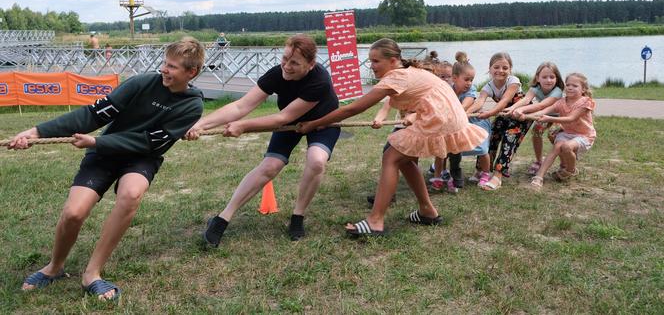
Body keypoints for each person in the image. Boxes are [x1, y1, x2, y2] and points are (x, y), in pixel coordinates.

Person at [8, 37, 205, 301]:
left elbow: (149, 142)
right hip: (104, 152)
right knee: (74, 213)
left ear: (191, 72)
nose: (163, 70)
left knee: (131, 194)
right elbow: (94, 114)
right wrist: (36, 132)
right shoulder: (140, 83)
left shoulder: (192, 105)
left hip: (141, 156)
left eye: (172, 67)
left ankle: (92, 273)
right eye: (164, 63)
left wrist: (97, 141)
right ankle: (54, 267)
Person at [297, 38, 487, 236]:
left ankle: (375, 221)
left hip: (441, 117)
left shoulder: (397, 76)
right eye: (370, 61)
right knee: (402, 159)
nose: (372, 66)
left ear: (394, 59)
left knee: (391, 157)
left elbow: (354, 108)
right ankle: (427, 211)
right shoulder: (406, 72)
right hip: (445, 115)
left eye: (376, 61)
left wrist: (314, 123)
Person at [186, 34, 339, 245]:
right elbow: (241, 106)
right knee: (270, 166)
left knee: (316, 160)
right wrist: (200, 125)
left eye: (295, 62)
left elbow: (282, 117)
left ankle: (298, 216)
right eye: (285, 58)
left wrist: (243, 125)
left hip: (323, 123)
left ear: (311, 64)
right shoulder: (276, 74)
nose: (287, 66)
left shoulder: (319, 81)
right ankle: (222, 218)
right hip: (289, 126)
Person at [466, 52, 527, 191]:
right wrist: (466, 113)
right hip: (503, 114)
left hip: (519, 115)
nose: (500, 71)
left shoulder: (513, 81)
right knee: (490, 137)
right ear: (490, 68)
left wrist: (489, 113)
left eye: (505, 68)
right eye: (496, 67)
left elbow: (505, 100)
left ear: (510, 70)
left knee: (509, 139)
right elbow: (479, 101)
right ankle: (482, 170)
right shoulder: (488, 86)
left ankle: (498, 175)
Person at [432, 52, 493, 190]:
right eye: (466, 79)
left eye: (472, 79)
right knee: (444, 149)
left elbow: (464, 105)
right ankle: (440, 174)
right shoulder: (448, 90)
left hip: (475, 123)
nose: (469, 83)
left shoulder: (471, 90)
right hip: (454, 124)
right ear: (454, 78)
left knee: (483, 149)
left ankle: (485, 174)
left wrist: (453, 113)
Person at [530, 73, 596, 190]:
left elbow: (571, 118)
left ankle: (571, 170)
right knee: (557, 147)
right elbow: (545, 110)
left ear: (583, 89)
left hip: (584, 136)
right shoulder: (561, 102)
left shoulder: (585, 102)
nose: (570, 87)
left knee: (566, 147)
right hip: (567, 133)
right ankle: (539, 177)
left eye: (574, 86)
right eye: (568, 85)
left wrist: (549, 118)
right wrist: (525, 115)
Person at [503, 62, 564, 175]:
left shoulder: (557, 91)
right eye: (544, 77)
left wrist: (522, 110)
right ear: (538, 78)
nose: (548, 80)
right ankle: (539, 160)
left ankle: (564, 163)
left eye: (552, 77)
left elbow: (542, 105)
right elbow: (526, 100)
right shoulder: (535, 88)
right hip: (543, 116)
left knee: (554, 135)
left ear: (557, 78)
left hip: (559, 118)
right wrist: (512, 108)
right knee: (536, 130)